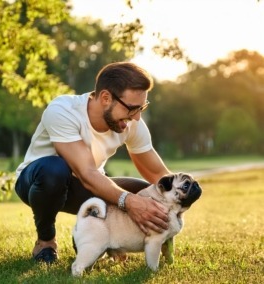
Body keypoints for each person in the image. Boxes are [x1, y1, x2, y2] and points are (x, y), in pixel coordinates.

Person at [15, 62, 171, 264]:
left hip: (87, 186)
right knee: (55, 169)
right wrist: (130, 202)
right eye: (133, 108)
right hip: (38, 182)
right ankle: (45, 243)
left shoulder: (131, 122)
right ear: (106, 98)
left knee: (146, 191)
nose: (137, 117)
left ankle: (91, 240)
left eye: (142, 108)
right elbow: (86, 172)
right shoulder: (63, 110)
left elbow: (157, 173)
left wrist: (173, 201)